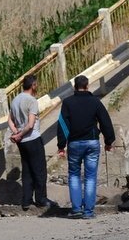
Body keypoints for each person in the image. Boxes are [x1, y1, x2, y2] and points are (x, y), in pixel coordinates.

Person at [56, 75, 115, 220]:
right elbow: (105, 121)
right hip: (92, 143)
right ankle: (88, 212)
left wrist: (61, 146)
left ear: (75, 87)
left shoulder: (68, 103)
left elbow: (63, 125)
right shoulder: (95, 102)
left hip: (74, 143)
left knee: (74, 175)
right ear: (87, 86)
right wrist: (109, 141)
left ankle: (76, 209)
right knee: (90, 177)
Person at [8, 75, 55, 210]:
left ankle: (26, 200)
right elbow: (30, 125)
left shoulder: (15, 100)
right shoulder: (32, 101)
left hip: (21, 142)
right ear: (33, 85)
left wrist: (15, 133)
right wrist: (20, 134)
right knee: (39, 170)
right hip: (32, 138)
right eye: (36, 84)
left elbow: (10, 120)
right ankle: (41, 198)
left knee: (27, 169)